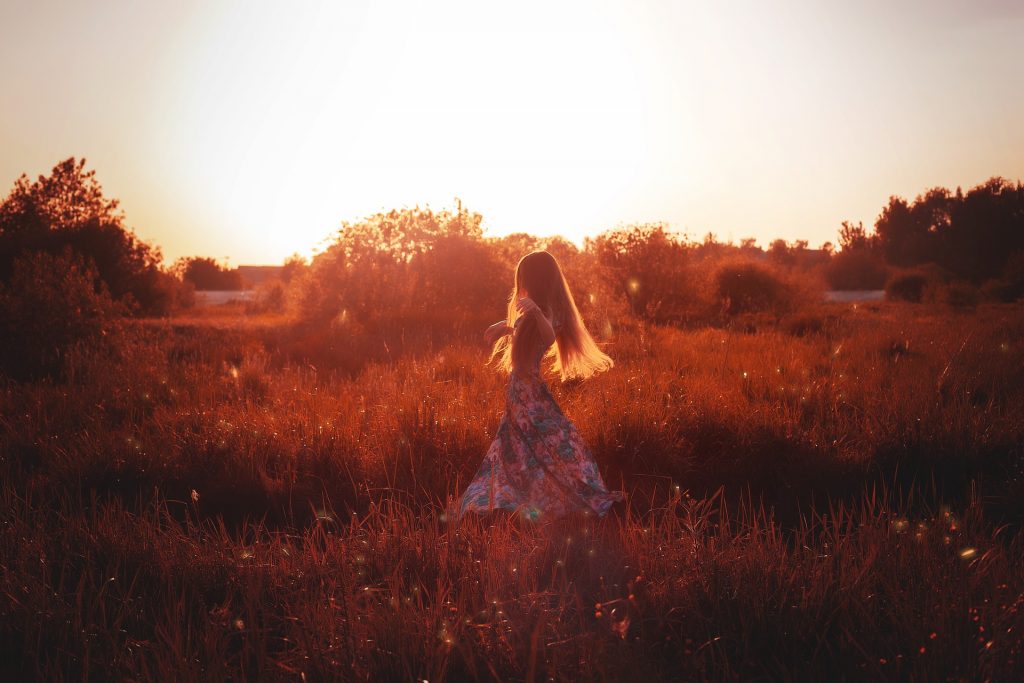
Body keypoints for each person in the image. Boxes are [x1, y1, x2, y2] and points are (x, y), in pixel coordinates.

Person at [457, 250, 625, 521]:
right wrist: (506, 326)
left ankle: (560, 493)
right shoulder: (533, 309)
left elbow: (547, 337)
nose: (520, 282)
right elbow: (527, 332)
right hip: (520, 390)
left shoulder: (548, 310)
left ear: (537, 279)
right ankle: (527, 496)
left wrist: (534, 312)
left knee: (554, 440)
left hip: (530, 391)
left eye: (524, 276)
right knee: (520, 445)